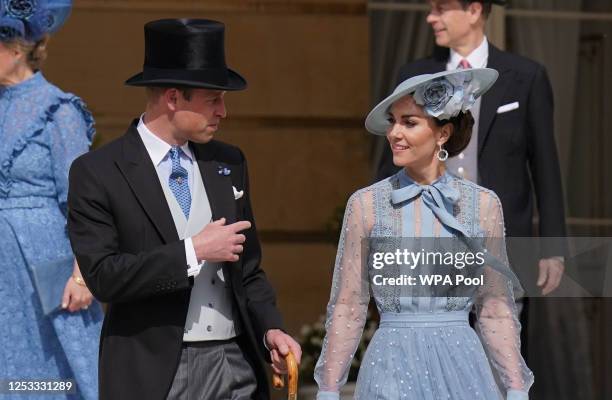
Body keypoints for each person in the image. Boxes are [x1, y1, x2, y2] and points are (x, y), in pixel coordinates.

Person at [67, 18, 301, 400]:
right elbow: (103, 276)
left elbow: (249, 269)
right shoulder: (97, 171)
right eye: (213, 100)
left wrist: (270, 328)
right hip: (154, 370)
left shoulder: (230, 162)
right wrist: (193, 251)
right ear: (173, 98)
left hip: (236, 363)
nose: (223, 112)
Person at [315, 69, 533, 399]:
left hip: (462, 368)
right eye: (393, 121)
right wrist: (328, 390)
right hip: (390, 365)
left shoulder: (483, 205)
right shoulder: (366, 205)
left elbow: (493, 306)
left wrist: (516, 388)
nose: (394, 133)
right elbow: (348, 305)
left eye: (409, 122)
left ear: (442, 133)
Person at [376, 0, 566, 296]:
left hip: (503, 244)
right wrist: (382, 235)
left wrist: (553, 248)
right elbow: (394, 159)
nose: (430, 18)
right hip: (427, 243)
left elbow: (545, 167)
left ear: (474, 11)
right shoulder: (413, 75)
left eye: (440, 9)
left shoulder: (526, 76)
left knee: (500, 337)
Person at [0, 0, 102, 398]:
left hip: (42, 267)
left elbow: (85, 204)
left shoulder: (58, 112)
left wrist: (82, 274)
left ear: (16, 48)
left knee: (46, 379)